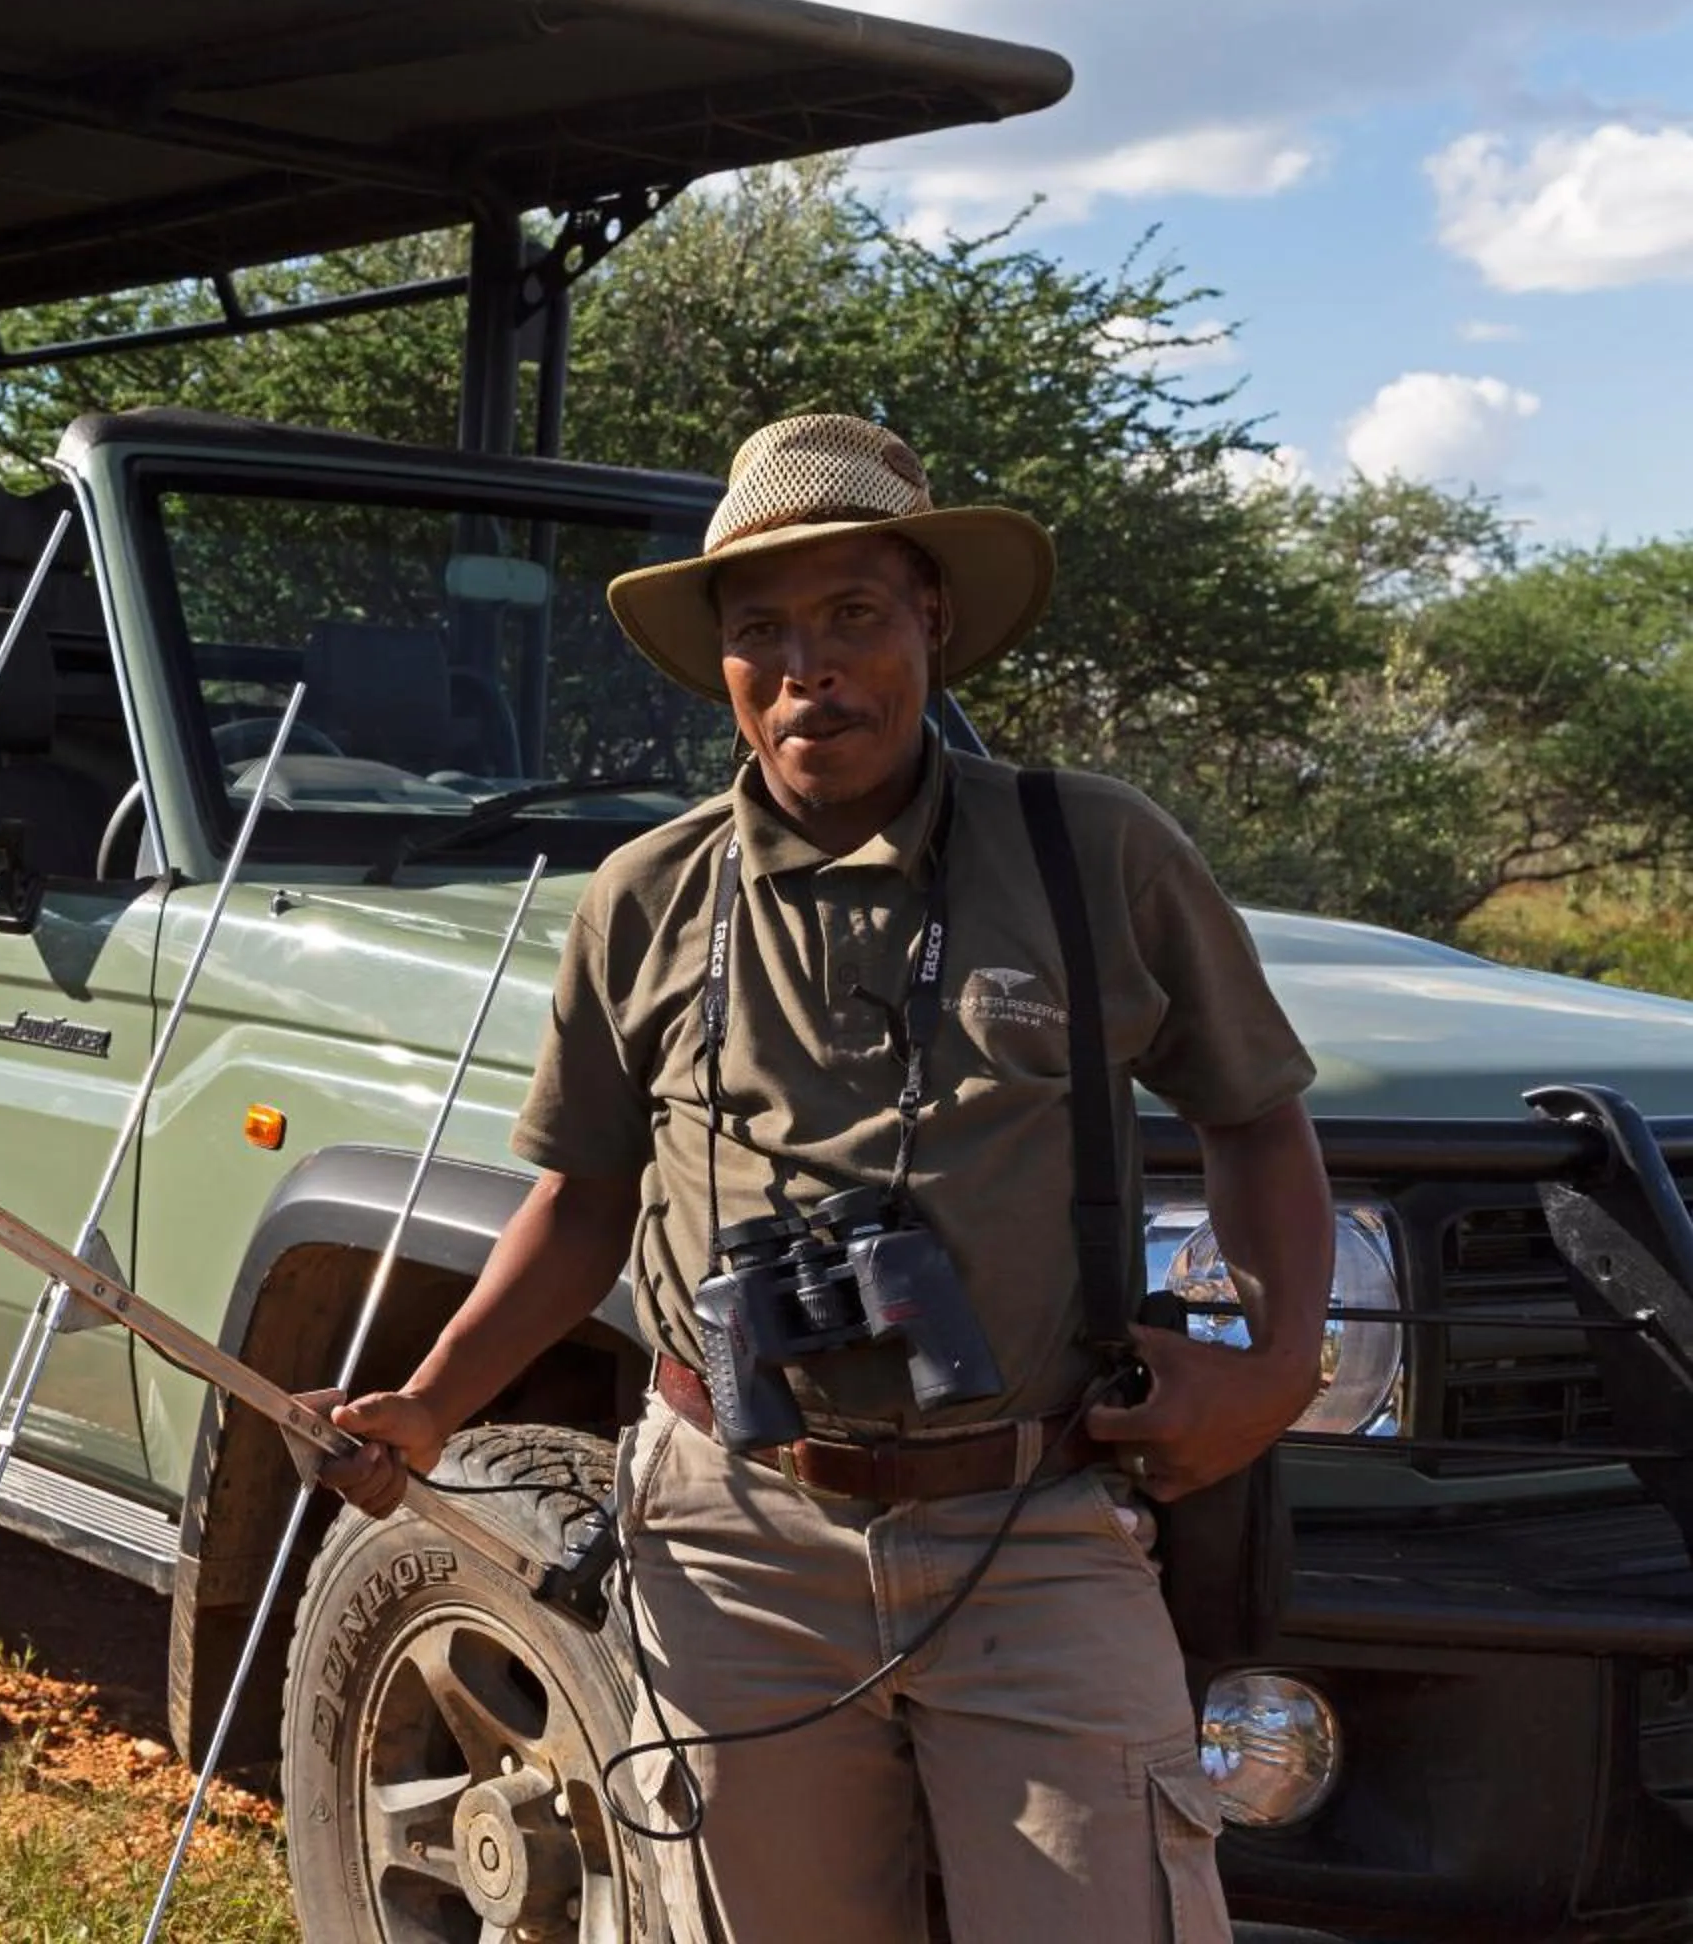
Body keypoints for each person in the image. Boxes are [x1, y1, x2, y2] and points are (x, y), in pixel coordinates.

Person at [313, 413, 1334, 1943]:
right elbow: (585, 1199)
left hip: (1035, 1520)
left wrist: (1276, 1370)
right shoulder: (646, 899)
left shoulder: (1092, 856)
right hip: (733, 1537)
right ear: (720, 661)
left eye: (853, 614)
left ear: (931, 616)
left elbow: (1260, 1119)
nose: (811, 667)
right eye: (762, 630)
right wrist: (433, 1399)